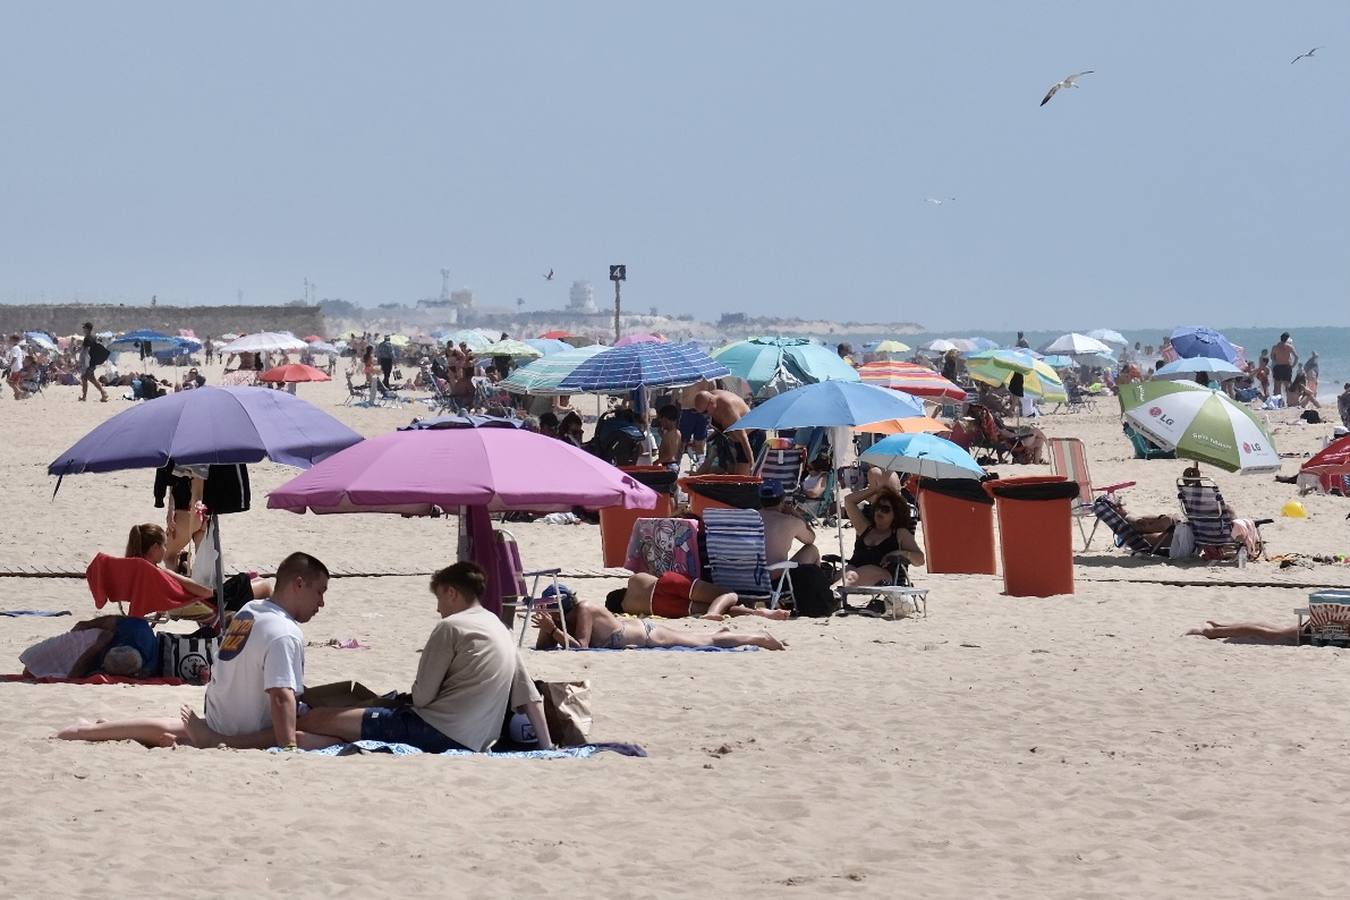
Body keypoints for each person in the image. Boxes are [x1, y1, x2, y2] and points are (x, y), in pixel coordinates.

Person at [185, 561, 555, 754]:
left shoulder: (451, 628)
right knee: (343, 715)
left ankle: (226, 742)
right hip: (478, 737)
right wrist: (548, 747)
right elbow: (528, 696)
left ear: (451, 593)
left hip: (437, 730)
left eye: (439, 600)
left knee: (316, 719)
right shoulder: (499, 628)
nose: (439, 609)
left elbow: (423, 699)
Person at [56, 551, 329, 748]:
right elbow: (281, 698)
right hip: (243, 729)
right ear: (299, 584)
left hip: (219, 714)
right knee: (322, 731)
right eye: (320, 592)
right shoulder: (285, 633)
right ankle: (215, 741)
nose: (322, 603)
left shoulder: (249, 611)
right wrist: (290, 746)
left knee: (171, 725)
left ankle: (93, 730)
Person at [533, 591, 785, 651]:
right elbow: (545, 647)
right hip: (638, 631)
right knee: (701, 638)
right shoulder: (565, 619)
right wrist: (547, 632)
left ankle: (758, 637)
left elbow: (581, 647)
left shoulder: (584, 608)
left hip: (648, 634)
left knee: (705, 641)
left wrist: (553, 629)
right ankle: (724, 630)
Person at [841, 471, 924, 587]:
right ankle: (832, 595)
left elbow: (920, 560)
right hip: (853, 571)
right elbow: (849, 501)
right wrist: (875, 489)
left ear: (896, 514)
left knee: (851, 575)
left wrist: (901, 552)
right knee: (845, 572)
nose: (879, 511)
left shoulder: (900, 533)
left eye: (885, 509)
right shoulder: (865, 528)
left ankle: (832, 595)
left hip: (881, 575)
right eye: (877, 508)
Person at [604, 571, 789, 621]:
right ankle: (713, 611)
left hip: (661, 607)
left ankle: (761, 614)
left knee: (728, 608)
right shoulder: (634, 581)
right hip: (667, 583)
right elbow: (654, 575)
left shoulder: (629, 608)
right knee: (727, 594)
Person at [693, 389, 753, 475]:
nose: (705, 415)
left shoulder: (728, 410)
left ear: (711, 402)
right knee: (717, 469)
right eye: (701, 413)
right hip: (731, 439)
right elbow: (708, 462)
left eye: (705, 412)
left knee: (739, 478)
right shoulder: (711, 398)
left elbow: (744, 438)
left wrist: (752, 463)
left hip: (749, 437)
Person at [759, 482, 819, 565]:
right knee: (812, 550)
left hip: (749, 574)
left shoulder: (750, 518)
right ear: (782, 499)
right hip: (776, 575)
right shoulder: (791, 521)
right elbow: (811, 539)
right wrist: (795, 514)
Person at [78, 322, 110, 403]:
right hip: (93, 362)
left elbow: (85, 351)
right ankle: (102, 393)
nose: (83, 329)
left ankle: (101, 393)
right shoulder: (93, 337)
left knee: (85, 378)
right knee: (91, 378)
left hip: (89, 362)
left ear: (87, 329)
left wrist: (81, 361)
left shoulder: (88, 338)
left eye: (84, 328)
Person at [1270, 332, 1298, 398]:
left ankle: (1279, 401)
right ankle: (1289, 400)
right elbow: (1296, 357)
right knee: (1287, 384)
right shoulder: (1289, 347)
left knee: (1277, 385)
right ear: (1287, 339)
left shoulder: (1275, 347)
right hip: (1287, 366)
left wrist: (1276, 360)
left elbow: (1271, 356)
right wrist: (1293, 365)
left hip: (1278, 366)